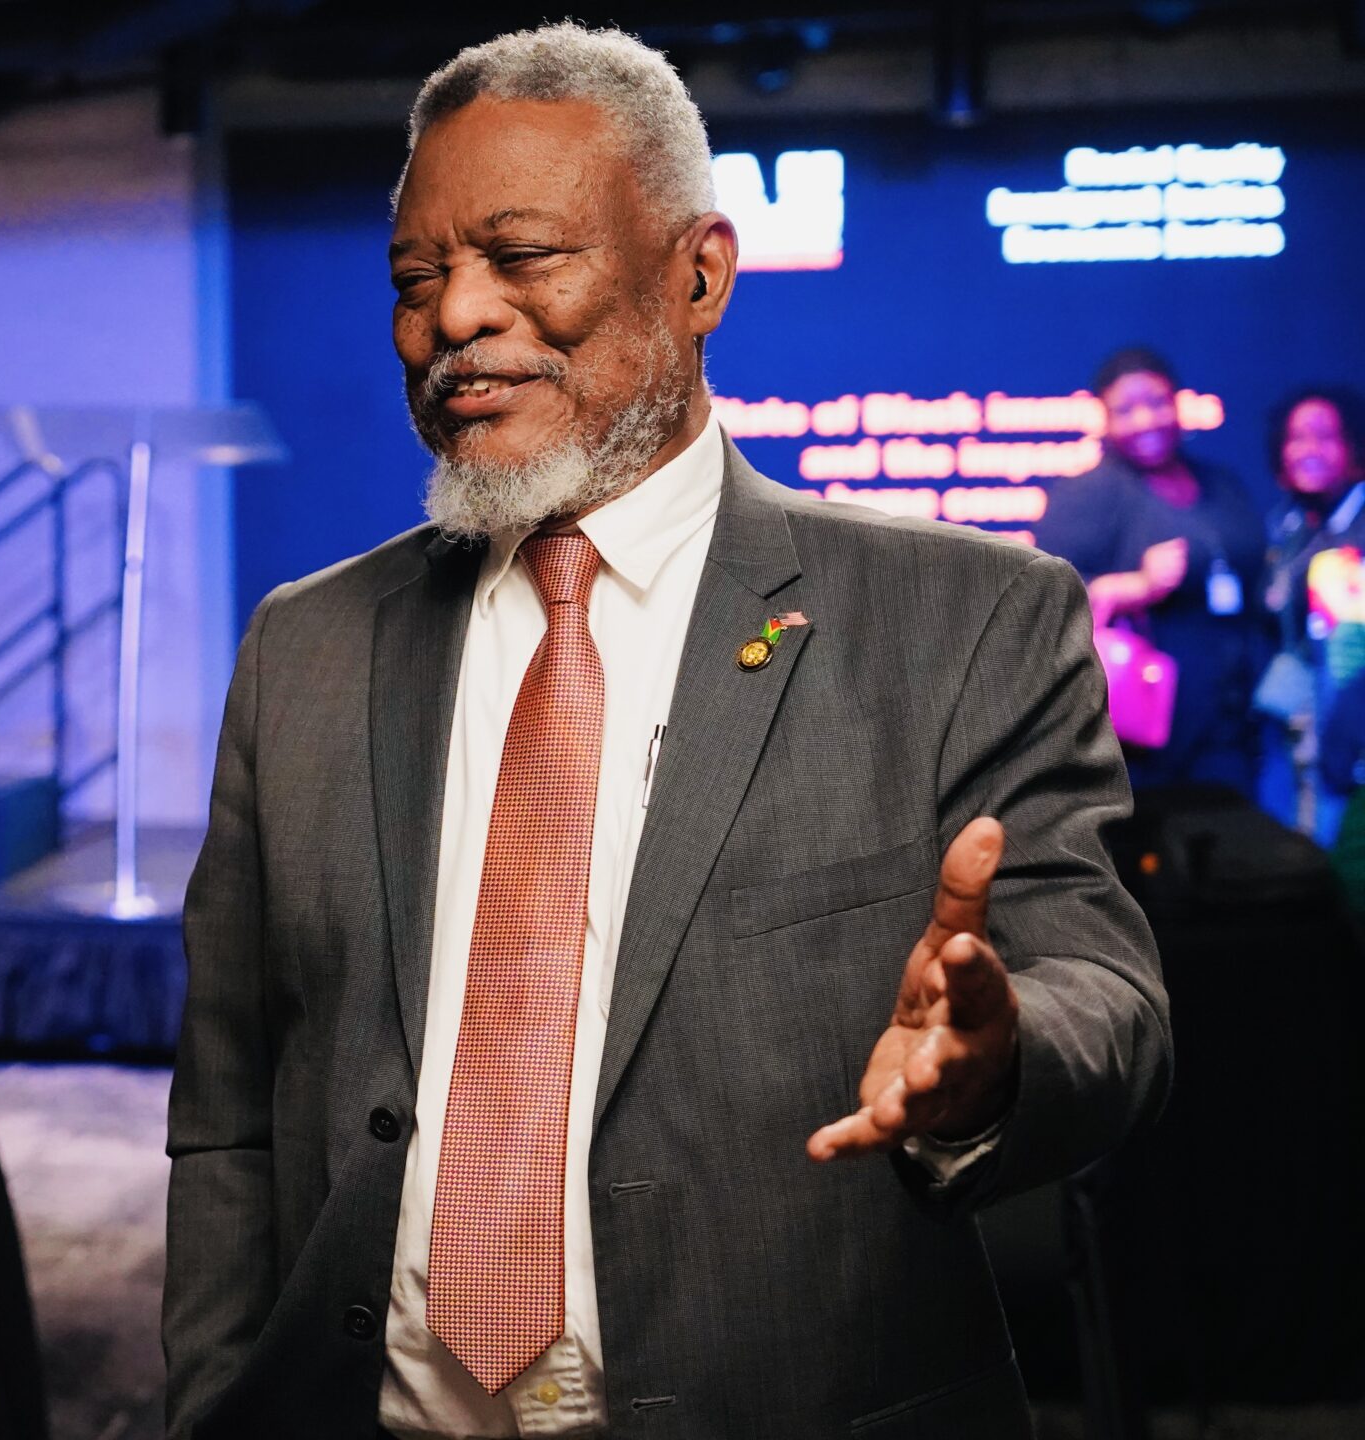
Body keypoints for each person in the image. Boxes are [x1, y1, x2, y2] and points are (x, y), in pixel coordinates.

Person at [162, 24, 1168, 1440]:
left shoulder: (968, 621)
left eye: (520, 259)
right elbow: (228, 1111)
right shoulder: (304, 649)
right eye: (416, 278)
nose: (456, 317)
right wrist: (211, 1404)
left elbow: (1103, 1001)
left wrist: (990, 1066)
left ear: (697, 276)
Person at [1031, 349, 1270, 795]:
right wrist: (1132, 587)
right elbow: (1045, 602)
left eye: (1157, 402)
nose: (1146, 420)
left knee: (1239, 848)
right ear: (1103, 415)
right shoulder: (1086, 493)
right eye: (1125, 409)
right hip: (1143, 730)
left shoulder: (1222, 483)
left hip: (1231, 716)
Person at [1256, 387, 1365, 840]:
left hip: (1349, 736)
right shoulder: (1289, 524)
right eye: (1297, 438)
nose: (1309, 451)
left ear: (1355, 446)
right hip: (1293, 731)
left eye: (1326, 437)